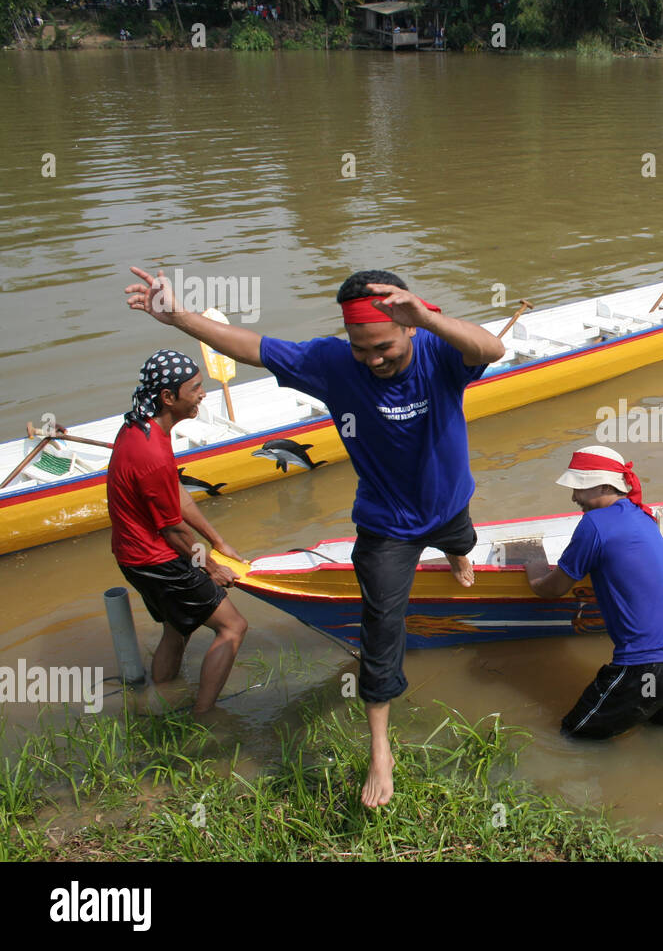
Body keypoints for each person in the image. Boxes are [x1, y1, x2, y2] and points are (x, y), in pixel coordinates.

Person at [124, 266, 504, 807]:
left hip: (449, 502)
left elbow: (491, 348)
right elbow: (253, 347)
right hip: (387, 525)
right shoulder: (331, 363)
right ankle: (380, 749)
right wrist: (180, 317)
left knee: (460, 538)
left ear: (411, 326)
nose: (373, 360)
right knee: (381, 631)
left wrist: (426, 317)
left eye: (385, 348)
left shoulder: (439, 350)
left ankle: (457, 555)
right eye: (361, 349)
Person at [526, 446, 663, 739]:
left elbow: (555, 588)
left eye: (579, 488)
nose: (574, 497)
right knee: (658, 737)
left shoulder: (595, 523)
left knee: (573, 738)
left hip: (648, 672)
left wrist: (535, 575)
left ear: (606, 487)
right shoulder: (643, 517)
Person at [106, 350, 248, 714]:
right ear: (168, 397)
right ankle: (205, 717)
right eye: (195, 388)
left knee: (177, 626)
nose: (203, 394)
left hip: (133, 556)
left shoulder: (141, 427)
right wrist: (212, 568)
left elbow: (175, 493)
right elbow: (173, 530)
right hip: (156, 559)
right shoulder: (151, 452)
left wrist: (217, 541)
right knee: (233, 627)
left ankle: (162, 700)